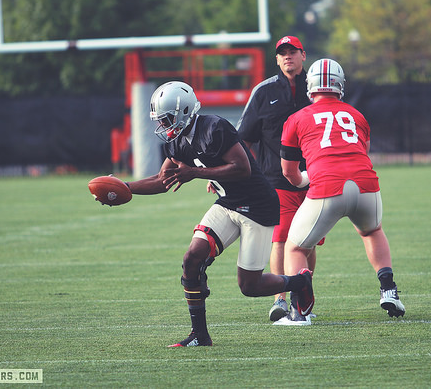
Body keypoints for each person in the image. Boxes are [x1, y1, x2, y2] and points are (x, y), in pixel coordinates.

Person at [124, 81, 314, 347]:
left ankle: (299, 282)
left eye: (167, 119)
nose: (163, 126)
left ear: (184, 111)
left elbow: (243, 167)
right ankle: (200, 335)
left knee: (250, 286)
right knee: (192, 258)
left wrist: (196, 172)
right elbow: (162, 179)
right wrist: (124, 189)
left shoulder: (214, 127)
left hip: (257, 206)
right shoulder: (176, 143)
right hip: (228, 202)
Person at [280, 58, 405, 319]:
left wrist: (305, 180)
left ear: (310, 85)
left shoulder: (296, 118)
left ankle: (298, 311)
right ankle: (388, 289)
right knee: (372, 231)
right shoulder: (356, 115)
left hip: (327, 186)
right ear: (340, 85)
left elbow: (289, 172)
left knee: (295, 249)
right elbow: (363, 154)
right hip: (365, 185)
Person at [236, 35, 321, 324]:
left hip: (314, 176)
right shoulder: (263, 92)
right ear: (276, 59)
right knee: (282, 237)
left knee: (308, 241)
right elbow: (244, 138)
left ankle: (304, 294)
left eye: (293, 52)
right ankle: (280, 299)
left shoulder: (317, 90)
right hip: (275, 177)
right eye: (282, 53)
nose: (288, 57)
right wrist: (234, 172)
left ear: (303, 55)